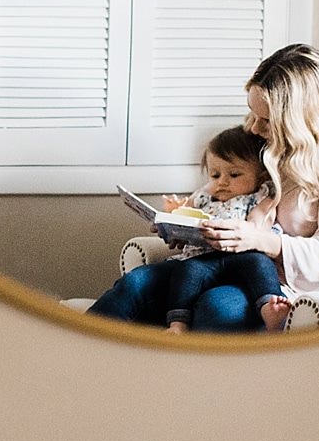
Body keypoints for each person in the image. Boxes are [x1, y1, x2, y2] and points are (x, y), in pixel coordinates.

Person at [184, 43, 319, 332]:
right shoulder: (275, 145)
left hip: (288, 289)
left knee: (217, 306)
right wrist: (190, 225)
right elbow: (232, 192)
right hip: (240, 264)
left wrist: (258, 240)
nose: (252, 129)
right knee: (144, 286)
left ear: (301, 120)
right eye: (252, 114)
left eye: (266, 120)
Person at [86, 127, 289, 332]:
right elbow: (186, 213)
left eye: (234, 174)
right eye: (215, 174)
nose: (222, 182)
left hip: (242, 258)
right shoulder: (204, 196)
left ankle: (269, 307)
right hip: (203, 260)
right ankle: (175, 324)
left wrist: (247, 228)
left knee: (260, 264)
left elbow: (259, 222)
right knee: (183, 272)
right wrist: (173, 221)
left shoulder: (261, 196)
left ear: (261, 175)